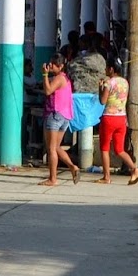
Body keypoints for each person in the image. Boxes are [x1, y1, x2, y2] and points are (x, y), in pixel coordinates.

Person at [40, 54, 82, 186]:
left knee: (51, 148)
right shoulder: (66, 79)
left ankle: (53, 179)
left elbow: (47, 91)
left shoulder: (58, 78)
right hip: (65, 116)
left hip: (55, 114)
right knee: (56, 147)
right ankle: (72, 167)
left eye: (53, 64)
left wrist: (44, 75)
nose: (50, 65)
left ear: (61, 66)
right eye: (50, 63)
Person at [98, 58, 138, 185]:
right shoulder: (125, 82)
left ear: (111, 69)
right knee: (119, 149)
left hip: (109, 118)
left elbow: (103, 101)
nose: (105, 69)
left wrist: (100, 88)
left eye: (106, 67)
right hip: (121, 117)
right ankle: (134, 168)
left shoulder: (109, 83)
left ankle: (106, 177)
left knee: (104, 148)